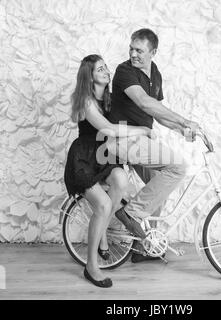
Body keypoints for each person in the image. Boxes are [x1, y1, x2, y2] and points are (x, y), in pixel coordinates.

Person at [107, 28, 205, 262]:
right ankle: (130, 214)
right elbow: (145, 102)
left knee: (158, 187)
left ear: (154, 52)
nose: (133, 54)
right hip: (123, 139)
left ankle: (143, 247)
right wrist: (184, 119)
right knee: (178, 167)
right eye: (131, 48)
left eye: (139, 50)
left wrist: (183, 130)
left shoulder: (155, 74)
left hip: (142, 139)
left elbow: (158, 115)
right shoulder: (124, 71)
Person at [64, 54, 155, 287]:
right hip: (84, 158)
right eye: (99, 69)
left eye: (106, 67)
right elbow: (109, 129)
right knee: (103, 206)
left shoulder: (110, 99)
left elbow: (125, 121)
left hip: (104, 156)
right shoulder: (85, 100)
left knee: (122, 180)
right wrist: (142, 130)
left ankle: (103, 232)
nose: (106, 71)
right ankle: (91, 267)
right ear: (90, 76)